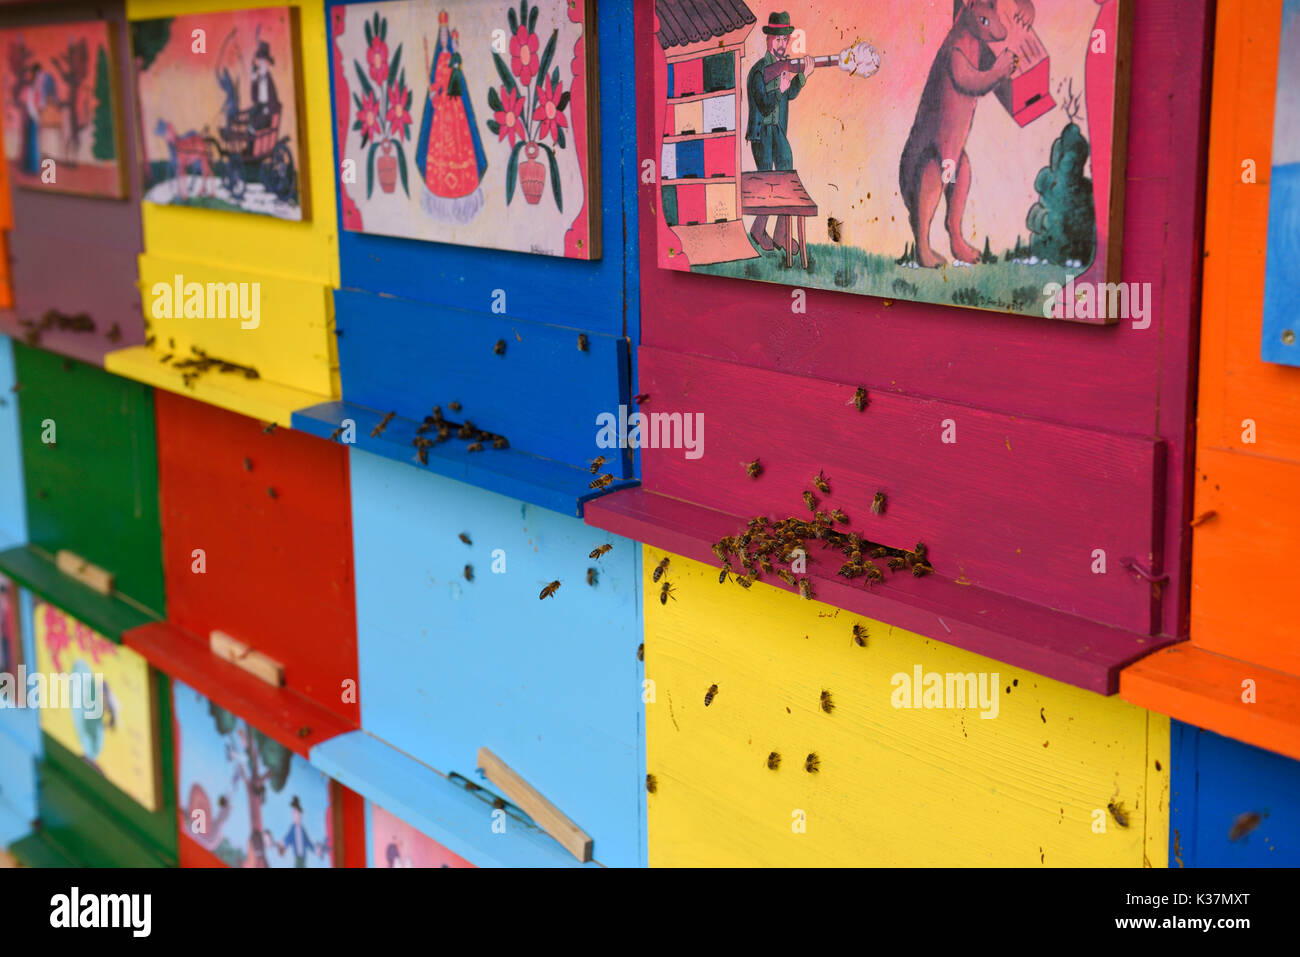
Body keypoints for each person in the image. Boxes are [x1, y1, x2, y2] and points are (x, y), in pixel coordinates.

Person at [745, 11, 814, 256]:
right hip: (760, 133)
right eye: (778, 39)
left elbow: (790, 94)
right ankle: (759, 229)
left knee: (787, 175)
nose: (782, 44)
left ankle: (781, 232)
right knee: (767, 183)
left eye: (785, 39)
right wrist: (780, 89)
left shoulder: (783, 68)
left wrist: (802, 77)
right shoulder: (757, 72)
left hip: (777, 131)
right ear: (768, 40)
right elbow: (764, 105)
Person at [415, 12, 487, 223]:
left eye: (449, 37)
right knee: (441, 145)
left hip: (455, 109)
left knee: (460, 142)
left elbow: (458, 82)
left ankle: (464, 185)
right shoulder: (439, 60)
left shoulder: (455, 59)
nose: (446, 40)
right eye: (444, 37)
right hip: (441, 111)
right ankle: (440, 185)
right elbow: (437, 83)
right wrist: (432, 94)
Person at [248, 40, 279, 131]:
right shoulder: (258, 79)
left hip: (267, 113)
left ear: (268, 64)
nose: (261, 65)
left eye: (263, 63)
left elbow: (274, 98)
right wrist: (253, 79)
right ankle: (250, 145)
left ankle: (252, 132)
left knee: (252, 126)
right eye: (260, 63)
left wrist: (268, 109)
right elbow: (254, 98)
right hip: (260, 107)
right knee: (249, 118)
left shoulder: (269, 81)